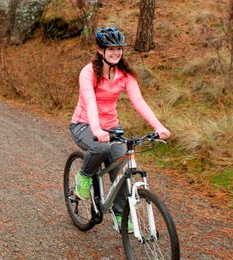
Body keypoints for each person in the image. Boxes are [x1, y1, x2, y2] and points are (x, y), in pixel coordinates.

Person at [69, 27, 171, 230]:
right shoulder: (88, 72)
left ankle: (119, 215)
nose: (116, 53)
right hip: (84, 124)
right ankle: (84, 176)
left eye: (119, 49)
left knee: (121, 168)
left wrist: (158, 126)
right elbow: (90, 102)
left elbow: (139, 102)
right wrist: (97, 130)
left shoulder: (125, 75)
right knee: (101, 148)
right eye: (111, 49)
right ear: (100, 50)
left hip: (112, 127)